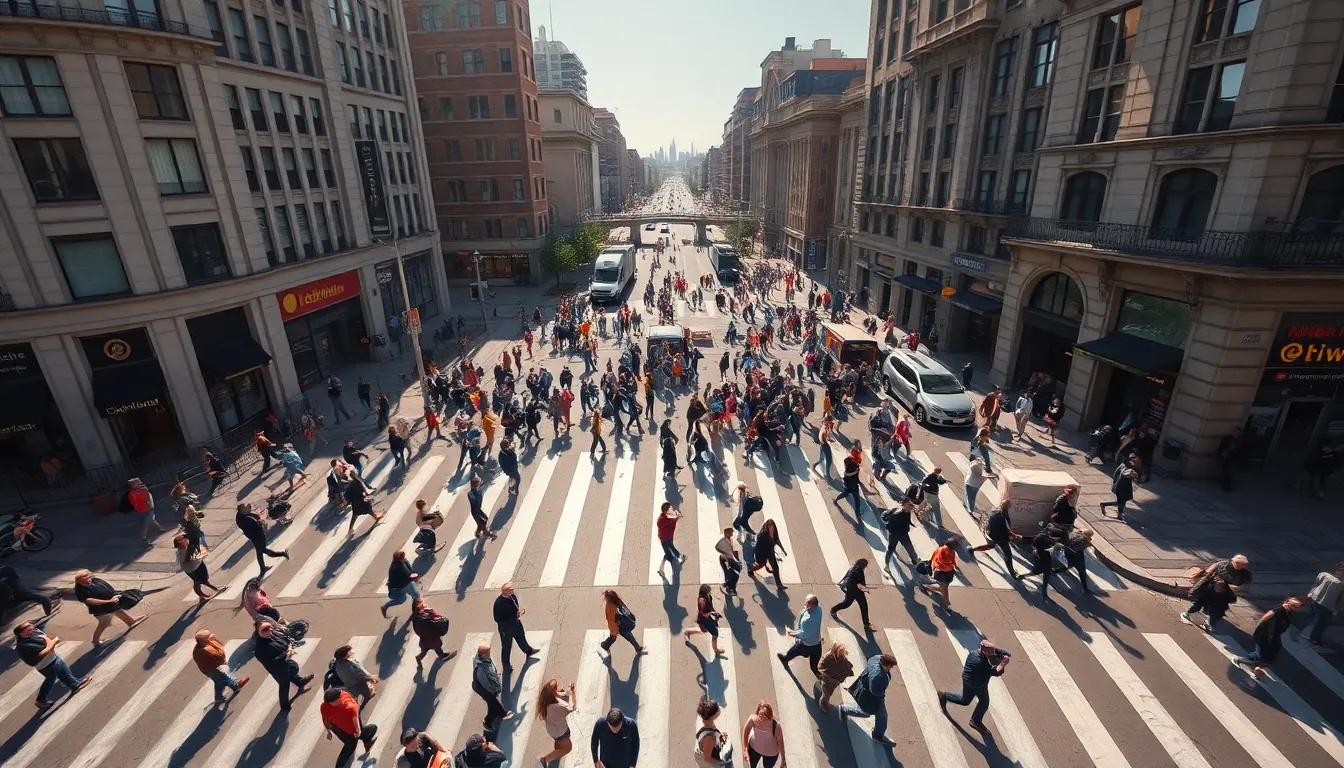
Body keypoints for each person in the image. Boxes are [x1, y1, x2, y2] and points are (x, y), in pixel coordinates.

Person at [938, 639, 1010, 734]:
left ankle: (944, 696)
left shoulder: (975, 652)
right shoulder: (981, 664)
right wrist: (1003, 663)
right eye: (991, 652)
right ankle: (975, 721)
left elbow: (1005, 653)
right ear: (986, 651)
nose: (993, 654)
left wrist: (1003, 654)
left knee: (965, 700)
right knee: (984, 702)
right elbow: (997, 672)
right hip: (976, 684)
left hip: (968, 678)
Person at [15, 621, 89, 710]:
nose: (32, 626)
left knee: (63, 671)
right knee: (50, 681)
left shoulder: (35, 632)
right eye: (28, 626)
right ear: (22, 633)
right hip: (45, 665)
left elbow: (46, 639)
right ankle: (40, 700)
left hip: (52, 658)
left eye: (30, 625)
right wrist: (54, 642)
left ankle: (75, 684)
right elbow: (44, 651)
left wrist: (50, 643)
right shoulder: (24, 646)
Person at [73, 570, 146, 648]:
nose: (89, 580)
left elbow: (105, 586)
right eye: (85, 580)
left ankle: (131, 621)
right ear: (78, 581)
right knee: (104, 623)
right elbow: (89, 600)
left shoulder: (95, 580)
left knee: (118, 610)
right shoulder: (79, 590)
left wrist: (115, 595)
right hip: (101, 609)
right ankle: (95, 640)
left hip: (112, 603)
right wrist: (108, 601)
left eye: (89, 577)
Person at [838, 653, 897, 745]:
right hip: (872, 698)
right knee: (871, 713)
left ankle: (877, 734)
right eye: (890, 666)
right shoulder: (878, 676)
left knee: (877, 715)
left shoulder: (876, 658)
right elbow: (874, 690)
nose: (891, 668)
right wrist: (882, 694)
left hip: (865, 690)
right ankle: (877, 735)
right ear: (886, 664)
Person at [1182, 555, 1253, 631]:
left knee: (1218, 609)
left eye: (1242, 564)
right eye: (1237, 563)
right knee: (1199, 601)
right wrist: (1206, 577)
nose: (1239, 565)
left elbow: (1245, 587)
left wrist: (1228, 585)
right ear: (1233, 561)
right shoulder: (1223, 564)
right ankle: (1188, 613)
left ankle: (1209, 623)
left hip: (1225, 593)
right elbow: (1209, 571)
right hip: (1211, 588)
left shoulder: (1246, 574)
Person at [254, 619, 313, 710]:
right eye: (265, 630)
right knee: (284, 685)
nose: (269, 631)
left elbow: (284, 642)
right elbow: (271, 661)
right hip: (277, 668)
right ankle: (284, 705)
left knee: (293, 668)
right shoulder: (260, 648)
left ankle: (300, 682)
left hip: (284, 661)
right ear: (258, 632)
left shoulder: (273, 635)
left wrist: (290, 646)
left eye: (270, 628)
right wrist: (286, 654)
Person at [1235, 598, 1302, 676]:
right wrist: (1258, 626)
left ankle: (1258, 668)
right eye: (1296, 606)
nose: (1297, 608)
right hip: (1265, 634)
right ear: (1289, 604)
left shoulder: (1288, 613)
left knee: (1273, 652)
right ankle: (1240, 659)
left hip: (1274, 635)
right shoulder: (1280, 610)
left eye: (1298, 607)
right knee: (1261, 653)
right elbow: (1267, 616)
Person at [321, 685, 379, 766]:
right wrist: (328, 730)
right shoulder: (325, 705)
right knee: (372, 728)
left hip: (344, 729)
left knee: (350, 745)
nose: (341, 697)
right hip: (341, 729)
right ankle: (366, 742)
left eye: (340, 696)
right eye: (338, 698)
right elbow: (325, 719)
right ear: (331, 703)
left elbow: (356, 723)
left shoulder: (349, 705)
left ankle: (365, 742)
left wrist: (357, 732)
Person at [194, 629, 249, 706]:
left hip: (210, 668)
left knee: (221, 679)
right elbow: (219, 655)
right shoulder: (205, 650)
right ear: (203, 640)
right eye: (208, 636)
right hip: (211, 669)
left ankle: (230, 688)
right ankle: (234, 686)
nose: (212, 636)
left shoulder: (203, 645)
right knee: (221, 679)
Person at [492, 582, 539, 672]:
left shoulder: (512, 596)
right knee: (506, 646)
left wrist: (517, 614)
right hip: (506, 628)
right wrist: (512, 616)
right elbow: (497, 618)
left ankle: (528, 651)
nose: (513, 590)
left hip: (516, 623)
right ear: (505, 591)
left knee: (521, 638)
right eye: (511, 589)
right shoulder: (499, 603)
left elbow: (515, 605)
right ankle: (506, 665)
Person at [971, 502, 1023, 578]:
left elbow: (990, 523)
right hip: (1001, 538)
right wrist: (1015, 536)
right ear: (1008, 507)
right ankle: (1012, 573)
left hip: (992, 535)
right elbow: (1007, 530)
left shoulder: (994, 512)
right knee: (1008, 555)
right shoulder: (1005, 516)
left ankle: (972, 549)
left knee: (989, 546)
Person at [776, 594, 823, 676]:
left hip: (807, 644)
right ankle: (819, 675)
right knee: (814, 666)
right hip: (817, 642)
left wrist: (791, 632)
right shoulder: (819, 609)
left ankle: (785, 659)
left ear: (812, 605)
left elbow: (803, 634)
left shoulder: (808, 619)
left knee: (793, 651)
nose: (805, 604)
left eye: (807, 603)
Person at [236, 502, 290, 573]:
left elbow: (251, 516)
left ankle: (280, 555)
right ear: (242, 509)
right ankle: (264, 568)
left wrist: (257, 516)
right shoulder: (245, 519)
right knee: (261, 552)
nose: (248, 507)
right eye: (245, 506)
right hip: (257, 535)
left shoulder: (240, 515)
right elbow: (258, 524)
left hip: (254, 535)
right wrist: (262, 519)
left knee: (262, 551)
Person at [471, 643, 512, 735]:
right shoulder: (481, 669)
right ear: (484, 654)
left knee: (492, 704)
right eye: (488, 651)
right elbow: (486, 683)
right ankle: (489, 722)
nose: (490, 652)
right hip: (485, 690)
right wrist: (495, 690)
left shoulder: (484, 659)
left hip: (486, 686)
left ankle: (499, 714)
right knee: (493, 703)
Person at [537, 678, 576, 766]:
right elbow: (571, 706)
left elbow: (562, 694)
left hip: (552, 729)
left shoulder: (548, 701)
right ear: (553, 692)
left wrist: (568, 691)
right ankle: (545, 759)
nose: (558, 688)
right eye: (556, 688)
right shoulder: (558, 706)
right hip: (561, 732)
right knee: (568, 748)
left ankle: (557, 752)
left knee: (559, 742)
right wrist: (572, 692)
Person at [1302, 564, 1344, 646]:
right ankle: (1313, 638)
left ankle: (1308, 634)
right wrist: (1337, 609)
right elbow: (1341, 599)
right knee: (1321, 623)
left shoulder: (1325, 575)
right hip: (1327, 605)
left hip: (1315, 599)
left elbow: (1318, 580)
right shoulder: (1340, 585)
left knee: (1316, 619)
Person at [831, 558, 876, 632]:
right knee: (860, 606)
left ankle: (866, 623)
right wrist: (866, 589)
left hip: (852, 591)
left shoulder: (851, 569)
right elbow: (860, 584)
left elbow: (846, 578)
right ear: (863, 566)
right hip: (855, 592)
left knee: (850, 604)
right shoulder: (860, 572)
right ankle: (833, 610)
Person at [175, 533, 219, 602]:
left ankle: (210, 590)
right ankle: (203, 595)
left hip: (198, 565)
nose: (186, 541)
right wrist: (191, 558)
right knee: (197, 582)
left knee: (202, 579)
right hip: (192, 569)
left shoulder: (187, 546)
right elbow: (183, 562)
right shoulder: (181, 552)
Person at [683, 584, 725, 655]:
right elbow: (702, 613)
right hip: (704, 619)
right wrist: (711, 613)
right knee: (715, 634)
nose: (710, 593)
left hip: (709, 617)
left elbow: (710, 606)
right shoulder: (702, 600)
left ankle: (688, 631)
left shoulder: (708, 596)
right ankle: (716, 649)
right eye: (708, 591)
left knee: (704, 630)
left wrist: (714, 613)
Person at [411, 598, 455, 664]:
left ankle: (419, 658)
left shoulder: (415, 617)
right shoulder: (428, 612)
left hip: (424, 640)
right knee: (437, 647)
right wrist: (431, 610)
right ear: (421, 606)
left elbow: (416, 629)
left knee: (424, 651)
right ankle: (442, 656)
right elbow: (438, 618)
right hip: (433, 638)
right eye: (423, 603)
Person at [742, 700, 785, 768]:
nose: (760, 718)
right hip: (753, 750)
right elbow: (746, 732)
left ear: (769, 717)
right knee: (752, 766)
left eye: (764, 716)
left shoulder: (776, 726)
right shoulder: (752, 719)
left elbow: (781, 743)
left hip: (770, 755)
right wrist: (746, 749)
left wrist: (783, 760)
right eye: (759, 715)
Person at [601, 589, 646, 654]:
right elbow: (611, 621)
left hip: (621, 625)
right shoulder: (614, 604)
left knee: (614, 637)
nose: (605, 598)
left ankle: (605, 645)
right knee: (624, 637)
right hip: (621, 627)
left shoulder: (614, 604)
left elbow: (613, 619)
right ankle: (638, 648)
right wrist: (614, 632)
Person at [920, 538, 959, 611]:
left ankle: (927, 587)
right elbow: (938, 559)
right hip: (941, 572)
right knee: (945, 589)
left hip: (947, 572)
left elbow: (952, 560)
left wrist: (955, 566)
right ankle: (947, 605)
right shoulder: (944, 550)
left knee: (942, 588)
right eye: (955, 545)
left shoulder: (951, 551)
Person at [815, 641, 854, 713]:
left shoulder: (837, 657)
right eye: (843, 651)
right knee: (827, 693)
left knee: (827, 691)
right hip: (830, 681)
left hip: (832, 680)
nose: (845, 652)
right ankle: (823, 703)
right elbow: (820, 666)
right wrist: (828, 676)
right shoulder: (829, 659)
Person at [694, 696, 733, 767]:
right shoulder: (709, 738)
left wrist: (719, 736)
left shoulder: (704, 720)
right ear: (712, 716)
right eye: (717, 709)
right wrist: (722, 763)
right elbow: (707, 758)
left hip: (709, 749)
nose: (719, 709)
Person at [381, 551, 422, 618]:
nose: (404, 558)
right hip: (400, 587)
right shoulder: (398, 567)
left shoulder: (399, 563)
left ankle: (385, 607)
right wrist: (416, 576)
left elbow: (409, 569)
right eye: (402, 557)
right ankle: (416, 610)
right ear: (399, 558)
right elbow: (409, 575)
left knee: (402, 599)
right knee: (416, 595)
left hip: (399, 586)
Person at [750, 519, 788, 590]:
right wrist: (766, 561)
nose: (771, 528)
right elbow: (759, 547)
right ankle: (751, 570)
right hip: (762, 553)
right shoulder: (762, 535)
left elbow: (777, 540)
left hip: (770, 553)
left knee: (776, 568)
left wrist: (783, 550)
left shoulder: (774, 533)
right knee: (761, 565)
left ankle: (779, 585)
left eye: (772, 526)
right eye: (770, 526)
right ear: (767, 527)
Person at [656, 502, 688, 574]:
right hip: (666, 537)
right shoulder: (664, 519)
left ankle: (673, 558)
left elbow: (673, 520)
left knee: (669, 550)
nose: (672, 510)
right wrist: (676, 516)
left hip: (666, 537)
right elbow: (673, 520)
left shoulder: (663, 518)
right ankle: (679, 557)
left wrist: (675, 516)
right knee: (670, 549)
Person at [467, 476, 497, 540]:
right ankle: (487, 534)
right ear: (475, 485)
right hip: (476, 512)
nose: (479, 484)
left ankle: (477, 533)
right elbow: (473, 499)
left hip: (478, 510)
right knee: (482, 523)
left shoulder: (477, 491)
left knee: (484, 520)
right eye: (478, 483)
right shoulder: (471, 493)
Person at [715, 527, 742, 596]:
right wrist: (723, 554)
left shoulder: (730, 540)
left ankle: (729, 586)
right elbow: (716, 547)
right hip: (725, 559)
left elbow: (733, 550)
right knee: (732, 573)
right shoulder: (723, 540)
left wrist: (737, 559)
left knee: (734, 573)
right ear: (726, 533)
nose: (732, 534)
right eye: (731, 532)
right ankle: (728, 586)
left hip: (730, 558)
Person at [1217, 427, 1243, 492]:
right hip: (1225, 457)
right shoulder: (1227, 438)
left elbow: (1238, 452)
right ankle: (1224, 484)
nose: (1235, 433)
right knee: (1224, 471)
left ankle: (1227, 487)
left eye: (1237, 432)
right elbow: (1222, 446)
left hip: (1231, 459)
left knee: (1228, 473)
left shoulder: (1239, 441)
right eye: (1234, 432)